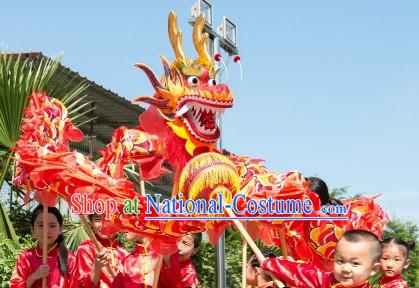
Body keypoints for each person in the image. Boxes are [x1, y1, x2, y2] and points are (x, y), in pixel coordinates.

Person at [262, 229, 382, 288]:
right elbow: (300, 272)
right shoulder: (324, 281)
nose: (345, 268)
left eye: (355, 263)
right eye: (340, 261)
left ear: (373, 269)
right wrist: (271, 263)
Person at [10, 204, 75, 288]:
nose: (46, 231)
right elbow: (15, 285)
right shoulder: (25, 257)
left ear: (61, 229)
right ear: (32, 229)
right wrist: (33, 277)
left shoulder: (70, 259)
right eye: (41, 225)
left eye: (52, 225)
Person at [73, 213, 129, 287]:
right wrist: (97, 267)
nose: (103, 225)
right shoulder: (85, 249)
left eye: (109, 219)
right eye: (98, 220)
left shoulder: (126, 252)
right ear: (91, 222)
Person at [111, 232, 181, 288]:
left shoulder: (165, 253)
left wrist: (167, 258)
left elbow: (173, 283)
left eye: (130, 218)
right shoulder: (128, 260)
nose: (123, 226)